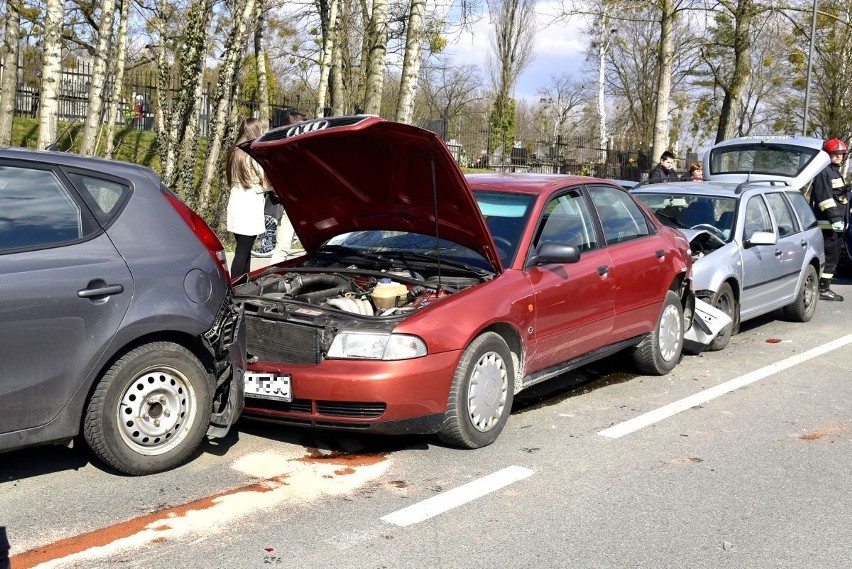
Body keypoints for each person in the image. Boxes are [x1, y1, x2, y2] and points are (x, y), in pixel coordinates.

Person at [226, 118, 269, 277]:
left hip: (236, 201)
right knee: (243, 252)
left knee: (243, 250)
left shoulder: (233, 152)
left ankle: (243, 285)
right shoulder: (253, 154)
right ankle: (236, 287)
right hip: (250, 205)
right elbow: (266, 183)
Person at [810, 138, 849, 301]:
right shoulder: (824, 172)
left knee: (834, 257)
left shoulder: (834, 171)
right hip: (828, 224)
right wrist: (835, 218)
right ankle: (823, 289)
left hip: (836, 223)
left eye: (841, 153)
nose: (839, 156)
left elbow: (837, 194)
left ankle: (825, 286)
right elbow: (824, 198)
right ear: (828, 154)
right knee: (830, 256)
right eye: (835, 153)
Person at [270, 110, 306, 264]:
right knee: (283, 247)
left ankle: (275, 275)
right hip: (293, 203)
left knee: (283, 247)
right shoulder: (290, 149)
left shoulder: (278, 147)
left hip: (296, 202)